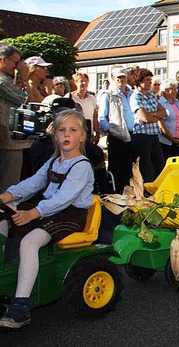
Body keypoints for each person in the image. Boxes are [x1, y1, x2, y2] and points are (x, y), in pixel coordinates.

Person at [0, 109, 94, 329]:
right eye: (61, 130)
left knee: (30, 241)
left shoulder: (81, 166)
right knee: (4, 216)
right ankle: (7, 265)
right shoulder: (54, 161)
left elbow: (63, 199)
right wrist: (6, 196)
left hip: (69, 214)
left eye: (73, 130)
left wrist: (33, 213)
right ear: (55, 135)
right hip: (46, 208)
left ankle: (21, 305)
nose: (66, 134)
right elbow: (32, 184)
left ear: (82, 136)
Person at [0, 44, 32, 192]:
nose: (18, 66)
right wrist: (25, 78)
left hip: (8, 140)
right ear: (3, 60)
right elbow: (23, 99)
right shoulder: (2, 81)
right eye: (15, 62)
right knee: (8, 186)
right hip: (7, 142)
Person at [98, 66, 135, 193]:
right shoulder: (108, 95)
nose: (121, 79)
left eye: (123, 76)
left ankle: (127, 195)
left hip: (132, 135)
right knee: (116, 169)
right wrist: (112, 130)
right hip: (117, 137)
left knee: (129, 169)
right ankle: (114, 195)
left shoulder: (132, 94)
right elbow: (102, 117)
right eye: (118, 77)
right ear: (113, 79)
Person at [130, 68, 167, 182]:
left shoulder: (151, 96)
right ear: (139, 81)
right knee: (145, 168)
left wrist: (152, 115)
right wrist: (155, 116)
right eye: (147, 80)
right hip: (142, 136)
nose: (150, 82)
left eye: (150, 80)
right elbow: (145, 118)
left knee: (160, 165)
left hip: (154, 134)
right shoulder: (135, 97)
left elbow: (165, 113)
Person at [158, 79, 179, 159]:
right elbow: (161, 126)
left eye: (176, 89)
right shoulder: (160, 104)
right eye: (172, 89)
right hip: (167, 142)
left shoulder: (177, 103)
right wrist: (173, 140)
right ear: (166, 91)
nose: (175, 91)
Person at [71, 72, 100, 145]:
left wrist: (97, 132)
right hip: (74, 134)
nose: (84, 83)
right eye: (81, 81)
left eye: (86, 81)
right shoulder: (70, 97)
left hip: (89, 134)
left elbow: (95, 116)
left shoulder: (92, 98)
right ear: (76, 82)